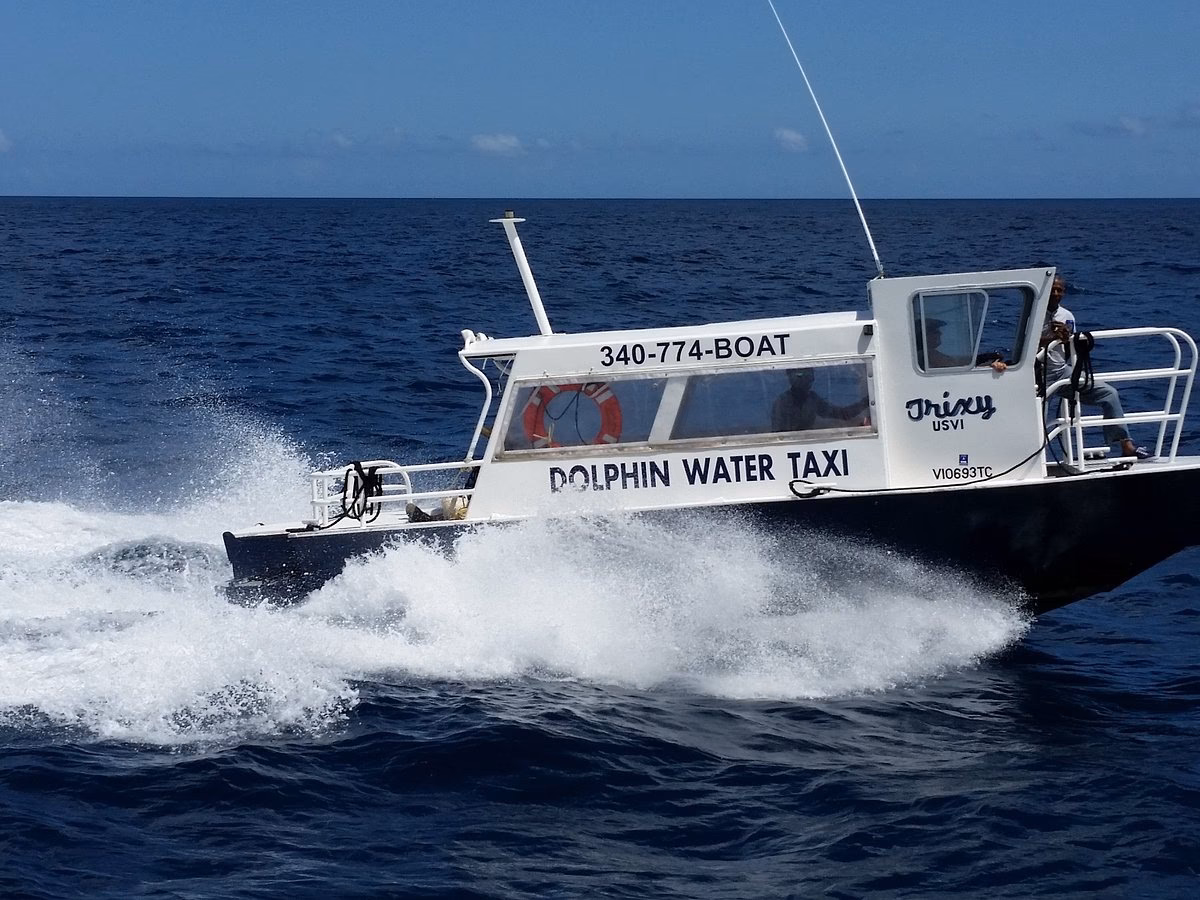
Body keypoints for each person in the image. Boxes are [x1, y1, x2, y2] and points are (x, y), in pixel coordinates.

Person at [1042, 274, 1150, 459]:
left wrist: (1068, 338)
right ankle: (1031, 458)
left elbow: (1070, 351)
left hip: (1061, 371)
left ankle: (1126, 445)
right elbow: (1024, 345)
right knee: (1037, 414)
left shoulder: (1067, 316)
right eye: (1052, 289)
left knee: (1109, 394)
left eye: (1059, 290)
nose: (1055, 293)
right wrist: (1050, 337)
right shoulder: (1033, 314)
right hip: (1038, 375)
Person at [771, 368, 868, 432]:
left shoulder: (812, 399)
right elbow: (778, 434)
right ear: (793, 379)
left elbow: (843, 414)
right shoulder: (782, 402)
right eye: (807, 377)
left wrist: (866, 402)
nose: (810, 381)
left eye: (811, 377)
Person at [923, 319, 1008, 371]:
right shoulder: (929, 355)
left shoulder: (929, 353)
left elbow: (956, 361)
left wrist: (982, 358)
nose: (940, 333)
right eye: (935, 331)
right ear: (924, 336)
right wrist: (989, 366)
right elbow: (954, 367)